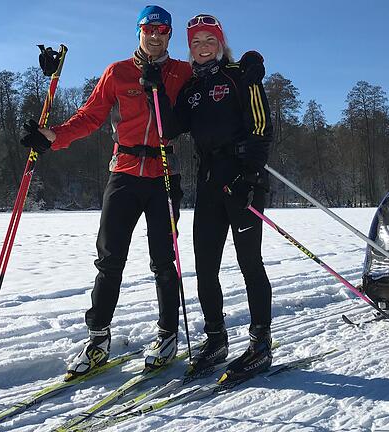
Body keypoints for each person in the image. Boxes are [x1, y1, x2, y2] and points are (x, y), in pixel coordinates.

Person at [20, 5, 192, 377]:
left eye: (163, 30)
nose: (155, 35)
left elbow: (207, 98)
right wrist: (54, 137)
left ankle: (167, 333)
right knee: (109, 258)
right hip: (125, 172)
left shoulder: (181, 72)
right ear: (139, 32)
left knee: (164, 259)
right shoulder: (118, 72)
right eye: (149, 29)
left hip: (165, 171)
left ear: (169, 35)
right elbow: (91, 115)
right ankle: (98, 338)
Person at [144, 13, 274, 381]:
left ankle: (260, 342)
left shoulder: (239, 76)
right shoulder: (192, 89)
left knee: (250, 263)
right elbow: (169, 128)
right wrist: (156, 91)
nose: (202, 48)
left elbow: (261, 127)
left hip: (242, 181)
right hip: (209, 185)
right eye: (196, 43)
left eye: (209, 41)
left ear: (220, 43)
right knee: (205, 266)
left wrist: (248, 176)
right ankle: (216, 338)